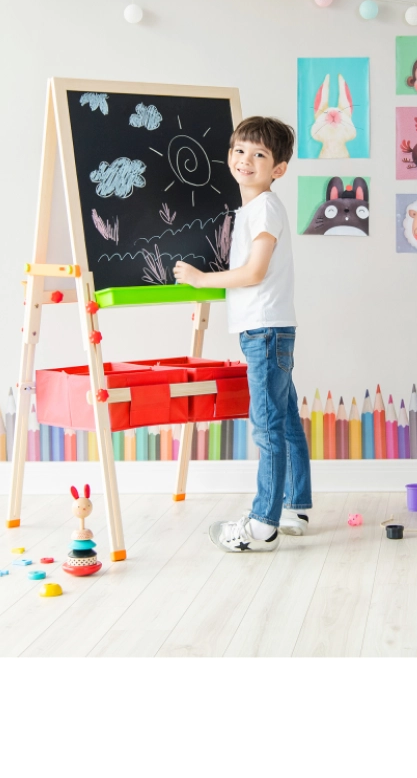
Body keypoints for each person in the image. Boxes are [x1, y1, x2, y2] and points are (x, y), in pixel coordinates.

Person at [174, 116, 311, 552]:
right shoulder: (251, 209)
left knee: (268, 426)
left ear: (279, 169)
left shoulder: (266, 207)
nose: (245, 160)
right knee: (285, 420)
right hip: (267, 328)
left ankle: (261, 526)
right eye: (239, 150)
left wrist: (200, 280)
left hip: (266, 330)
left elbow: (255, 272)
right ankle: (294, 508)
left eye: (259, 155)